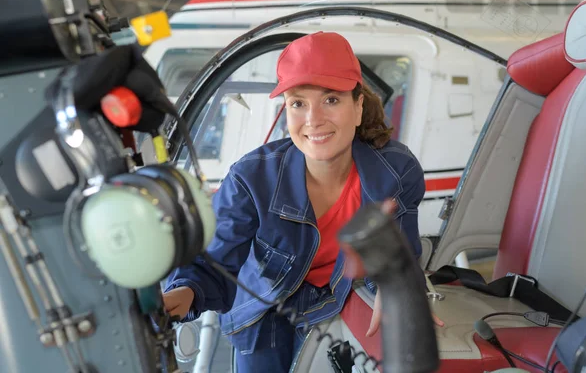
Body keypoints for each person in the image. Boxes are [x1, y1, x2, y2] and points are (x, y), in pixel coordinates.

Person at [162, 31, 437, 372]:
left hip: (342, 302)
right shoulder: (250, 178)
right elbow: (210, 263)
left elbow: (401, 250)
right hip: (263, 313)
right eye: (298, 103)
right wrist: (175, 299)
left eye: (331, 100)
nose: (313, 119)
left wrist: (396, 285)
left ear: (358, 106)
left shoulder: (396, 172)